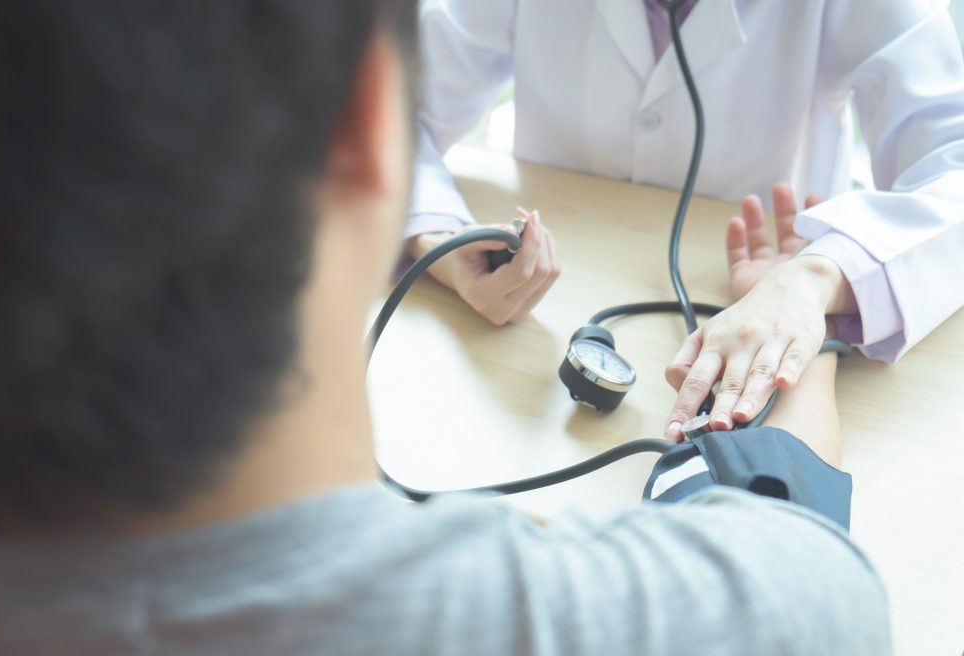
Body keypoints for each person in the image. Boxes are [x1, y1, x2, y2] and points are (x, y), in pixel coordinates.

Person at [0, 2, 890, 656]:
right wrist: (790, 329)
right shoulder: (760, 625)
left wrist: (817, 280)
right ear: (366, 121)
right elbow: (797, 544)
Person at [407, 0, 964, 440]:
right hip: (540, 320)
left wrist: (817, 277)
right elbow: (376, 113)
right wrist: (437, 238)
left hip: (766, 297)